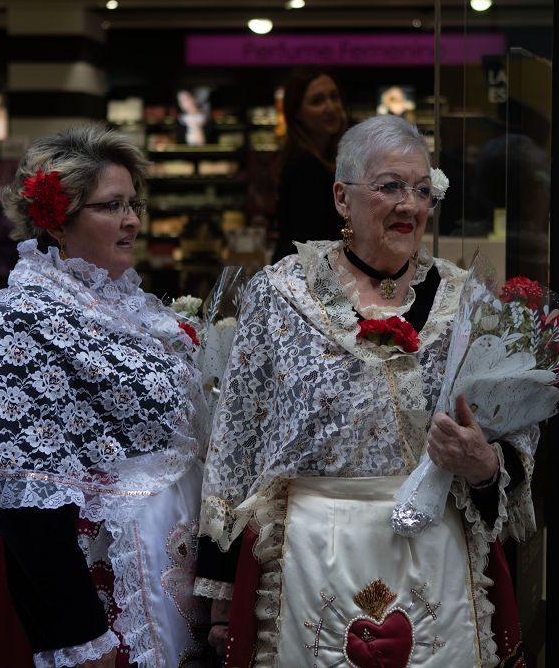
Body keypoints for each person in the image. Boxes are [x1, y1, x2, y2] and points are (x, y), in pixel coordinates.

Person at [195, 115, 537, 667]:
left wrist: (484, 464)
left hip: (435, 553)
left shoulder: (467, 305)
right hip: (309, 557)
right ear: (341, 198)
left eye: (422, 189)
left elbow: (515, 434)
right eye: (390, 187)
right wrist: (217, 595)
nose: (409, 205)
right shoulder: (280, 294)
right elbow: (234, 442)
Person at [0, 125, 210, 668]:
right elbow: (25, 499)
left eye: (134, 204)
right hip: (87, 585)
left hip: (150, 559)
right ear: (59, 219)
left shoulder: (119, 300)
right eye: (111, 207)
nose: (132, 221)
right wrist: (79, 640)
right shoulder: (25, 319)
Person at [270, 67, 347, 262]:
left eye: (334, 96)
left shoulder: (326, 159)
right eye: (317, 101)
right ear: (297, 113)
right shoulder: (304, 168)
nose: (330, 107)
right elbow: (308, 243)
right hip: (304, 280)